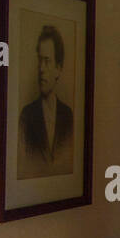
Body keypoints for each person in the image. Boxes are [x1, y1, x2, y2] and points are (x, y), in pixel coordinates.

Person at [17, 25, 74, 179]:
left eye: (47, 61)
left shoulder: (68, 116)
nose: (41, 69)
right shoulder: (26, 116)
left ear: (58, 68)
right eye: (40, 61)